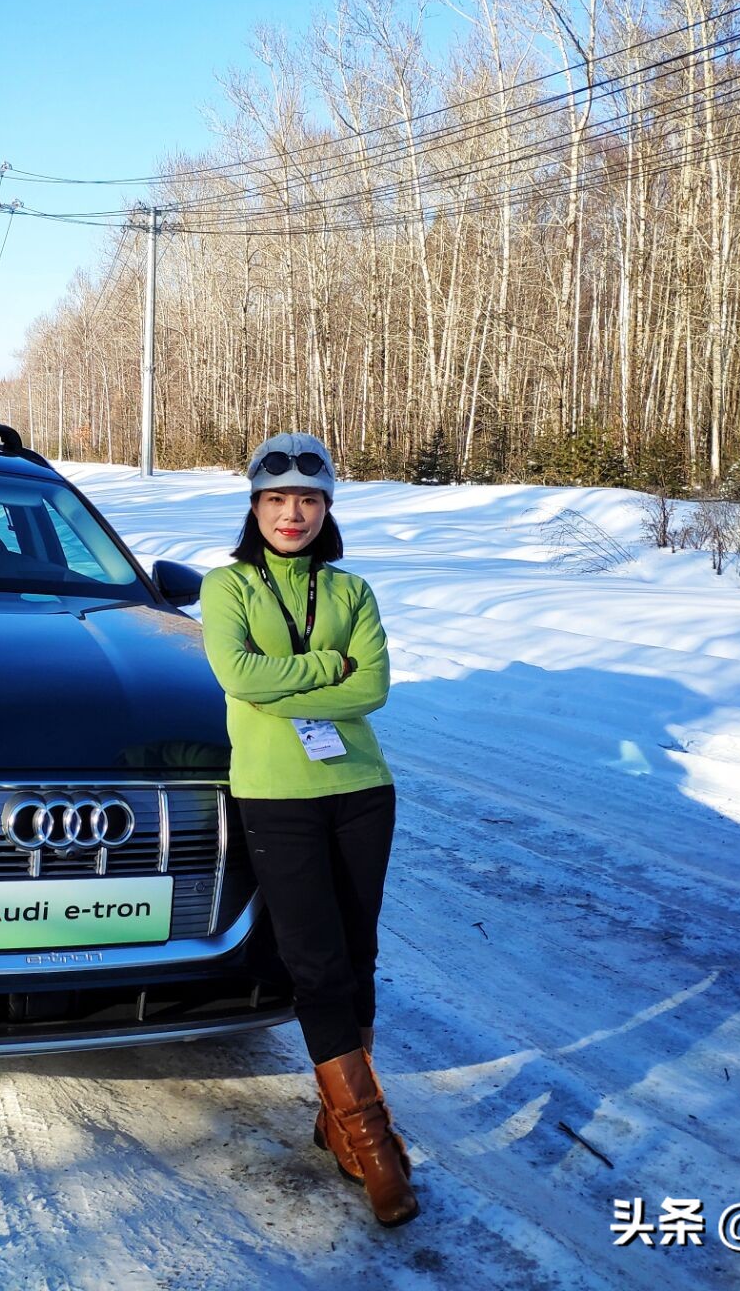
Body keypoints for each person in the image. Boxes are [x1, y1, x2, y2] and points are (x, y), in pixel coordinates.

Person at [198, 432, 418, 1227]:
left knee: (359, 956)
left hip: (362, 789)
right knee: (316, 963)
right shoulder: (226, 588)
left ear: (326, 509)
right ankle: (374, 1141)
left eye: (309, 499)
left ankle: (338, 1127)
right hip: (276, 797)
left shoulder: (352, 591)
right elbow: (237, 675)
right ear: (255, 506)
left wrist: (288, 683)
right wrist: (330, 672)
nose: (292, 514)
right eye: (276, 499)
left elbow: (377, 689)